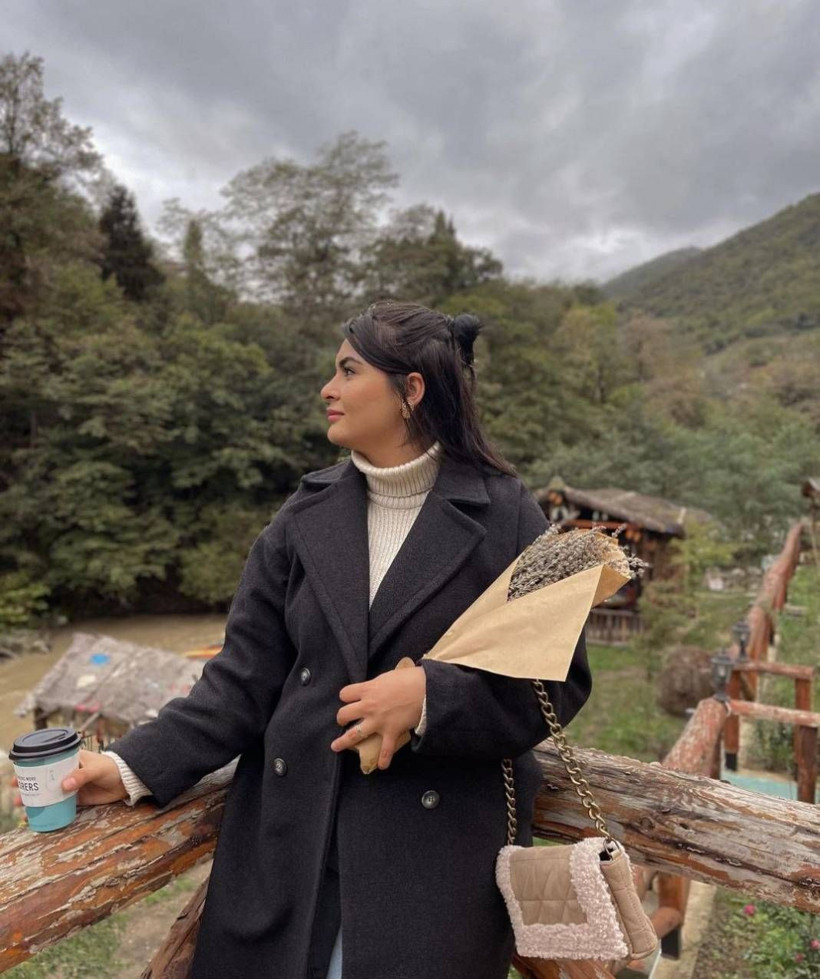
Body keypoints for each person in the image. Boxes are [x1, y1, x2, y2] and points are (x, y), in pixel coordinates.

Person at [50, 301, 592, 979]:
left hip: (432, 875)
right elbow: (240, 680)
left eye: (347, 369)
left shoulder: (513, 514)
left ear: (410, 390)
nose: (326, 389)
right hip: (288, 851)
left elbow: (562, 680)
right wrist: (132, 765)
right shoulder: (303, 514)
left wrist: (429, 699)